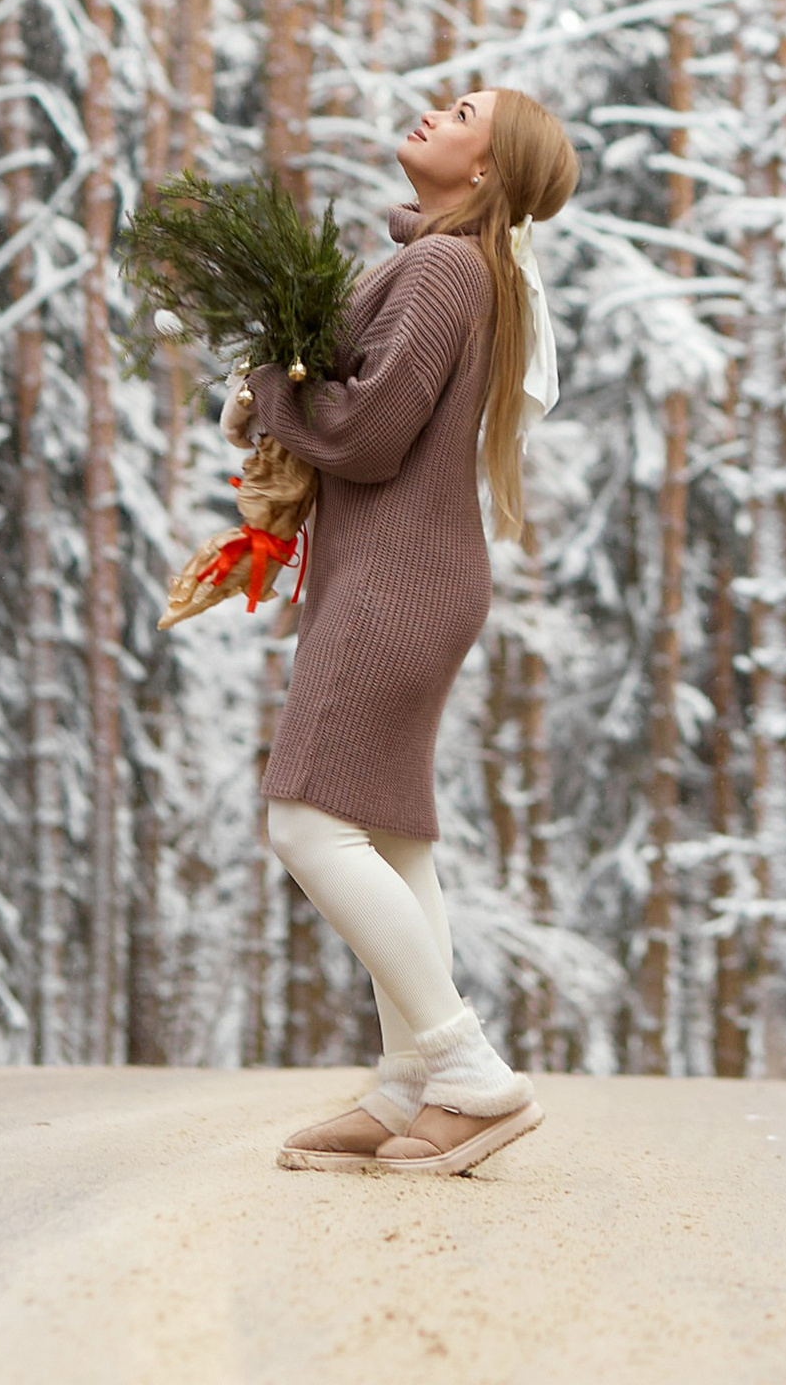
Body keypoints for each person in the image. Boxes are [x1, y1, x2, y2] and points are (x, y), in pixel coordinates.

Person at [229, 82, 578, 1174]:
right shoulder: (451, 266)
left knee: (304, 823)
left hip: (394, 584)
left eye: (463, 113)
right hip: (408, 576)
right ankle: (407, 1089)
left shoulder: (441, 268)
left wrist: (268, 393)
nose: (433, 111)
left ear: (484, 172)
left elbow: (373, 434)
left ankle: (464, 1069)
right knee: (388, 834)